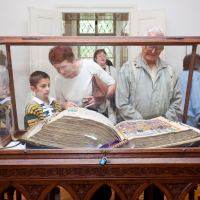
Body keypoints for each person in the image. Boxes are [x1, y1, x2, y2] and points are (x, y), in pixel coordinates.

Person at [116, 27, 182, 122]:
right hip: (136, 128)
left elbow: (176, 102)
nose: (153, 51)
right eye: (150, 45)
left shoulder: (169, 70)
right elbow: (122, 104)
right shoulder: (127, 69)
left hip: (163, 128)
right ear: (142, 44)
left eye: (158, 47)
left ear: (162, 48)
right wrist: (144, 124)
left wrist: (163, 122)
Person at [49, 46, 116, 112]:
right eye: (57, 68)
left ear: (73, 60)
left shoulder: (90, 66)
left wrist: (98, 100)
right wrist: (64, 105)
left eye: (63, 67)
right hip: (75, 117)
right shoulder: (58, 79)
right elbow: (61, 105)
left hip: (97, 113)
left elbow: (113, 85)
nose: (61, 72)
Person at [93, 49, 117, 124]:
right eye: (100, 56)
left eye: (104, 56)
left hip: (111, 102)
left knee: (112, 124)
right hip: (97, 103)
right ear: (95, 58)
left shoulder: (112, 69)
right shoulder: (92, 70)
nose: (102, 57)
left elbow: (116, 84)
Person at [178, 54, 200, 128]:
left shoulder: (178, 76)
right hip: (192, 122)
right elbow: (197, 100)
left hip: (179, 119)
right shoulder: (196, 76)